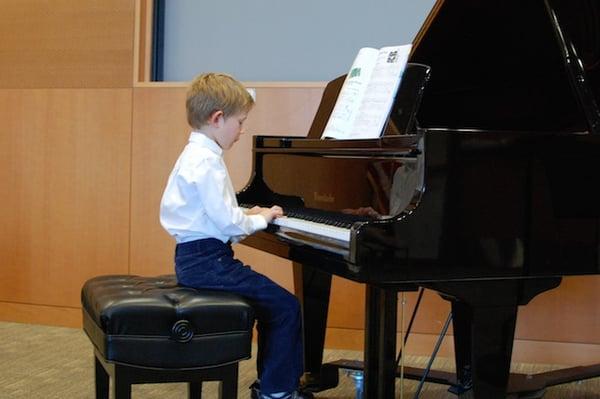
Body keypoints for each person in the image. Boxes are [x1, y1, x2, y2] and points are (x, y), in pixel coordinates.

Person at [159, 73, 312, 399]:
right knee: (286, 307)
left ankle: (273, 384)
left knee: (275, 306)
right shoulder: (207, 163)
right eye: (240, 122)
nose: (242, 131)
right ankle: (277, 392)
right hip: (209, 263)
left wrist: (249, 215)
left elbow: (215, 217)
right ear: (217, 119)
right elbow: (228, 223)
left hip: (195, 259)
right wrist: (262, 218)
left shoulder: (194, 155)